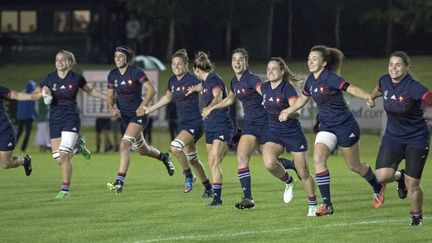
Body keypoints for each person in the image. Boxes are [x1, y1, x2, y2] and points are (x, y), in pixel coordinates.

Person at [281, 45, 384, 216]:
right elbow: (302, 100)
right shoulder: (311, 81)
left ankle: (377, 186)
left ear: (324, 63)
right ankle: (327, 204)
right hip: (327, 126)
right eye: (308, 58)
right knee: (318, 158)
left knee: (354, 165)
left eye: (314, 58)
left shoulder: (331, 78)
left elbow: (351, 88)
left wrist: (368, 96)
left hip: (345, 125)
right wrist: (287, 111)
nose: (310, 61)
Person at [201, 49, 303, 211]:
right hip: (249, 125)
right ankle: (248, 198)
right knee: (241, 157)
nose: (237, 62)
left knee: (270, 162)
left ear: (246, 62)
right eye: (234, 59)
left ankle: (293, 168)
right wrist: (211, 108)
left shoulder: (252, 79)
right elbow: (230, 99)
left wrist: (274, 104)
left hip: (266, 123)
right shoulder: (234, 81)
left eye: (240, 59)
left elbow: (264, 91)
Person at [367, 51, 432, 226]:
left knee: (413, 185)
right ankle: (400, 177)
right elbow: (379, 88)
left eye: (398, 64)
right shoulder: (385, 80)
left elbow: (429, 98)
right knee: (382, 175)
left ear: (406, 67)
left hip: (416, 139)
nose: (393, 68)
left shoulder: (414, 87)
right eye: (391, 64)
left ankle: (416, 217)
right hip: (393, 137)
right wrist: (371, 98)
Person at [32, 50, 106, 199]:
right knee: (58, 158)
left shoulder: (76, 78)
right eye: (57, 60)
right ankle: (78, 147)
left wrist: (108, 98)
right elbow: (35, 95)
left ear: (70, 62)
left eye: (63, 60)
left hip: (70, 118)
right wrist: (44, 94)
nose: (59, 63)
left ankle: (65, 189)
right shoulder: (49, 78)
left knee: (65, 155)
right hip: (54, 120)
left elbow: (90, 91)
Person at [106, 46, 175, 195]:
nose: (117, 59)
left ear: (127, 58)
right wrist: (111, 107)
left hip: (139, 116)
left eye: (120, 56)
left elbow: (152, 89)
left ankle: (119, 181)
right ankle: (164, 157)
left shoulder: (136, 72)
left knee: (124, 144)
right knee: (143, 150)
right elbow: (110, 95)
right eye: (115, 56)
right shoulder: (112, 75)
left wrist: (143, 105)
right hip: (125, 118)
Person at [145, 49, 213, 197]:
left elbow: (208, 86)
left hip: (195, 123)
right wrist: (150, 108)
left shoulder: (193, 79)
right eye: (173, 64)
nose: (176, 66)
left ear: (186, 65)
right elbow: (167, 98)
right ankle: (208, 187)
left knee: (175, 147)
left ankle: (188, 176)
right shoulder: (172, 80)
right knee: (193, 160)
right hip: (183, 124)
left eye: (179, 64)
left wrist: (202, 93)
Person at [188, 51, 234, 206]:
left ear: (197, 70)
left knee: (214, 161)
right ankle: (232, 141)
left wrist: (209, 108)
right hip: (211, 127)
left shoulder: (214, 79)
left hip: (221, 125)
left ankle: (217, 199)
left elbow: (218, 96)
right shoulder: (206, 81)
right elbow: (202, 86)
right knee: (212, 161)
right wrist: (193, 89)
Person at [0, 84, 34, 176]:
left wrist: (32, 96)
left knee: (6, 164)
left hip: (4, 131)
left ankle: (25, 161)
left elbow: (17, 95)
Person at [16, 80, 37, 152]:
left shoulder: (22, 92)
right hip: (28, 117)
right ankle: (23, 148)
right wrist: (35, 116)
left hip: (19, 117)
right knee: (27, 133)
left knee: (19, 132)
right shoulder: (31, 95)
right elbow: (31, 107)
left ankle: (11, 146)